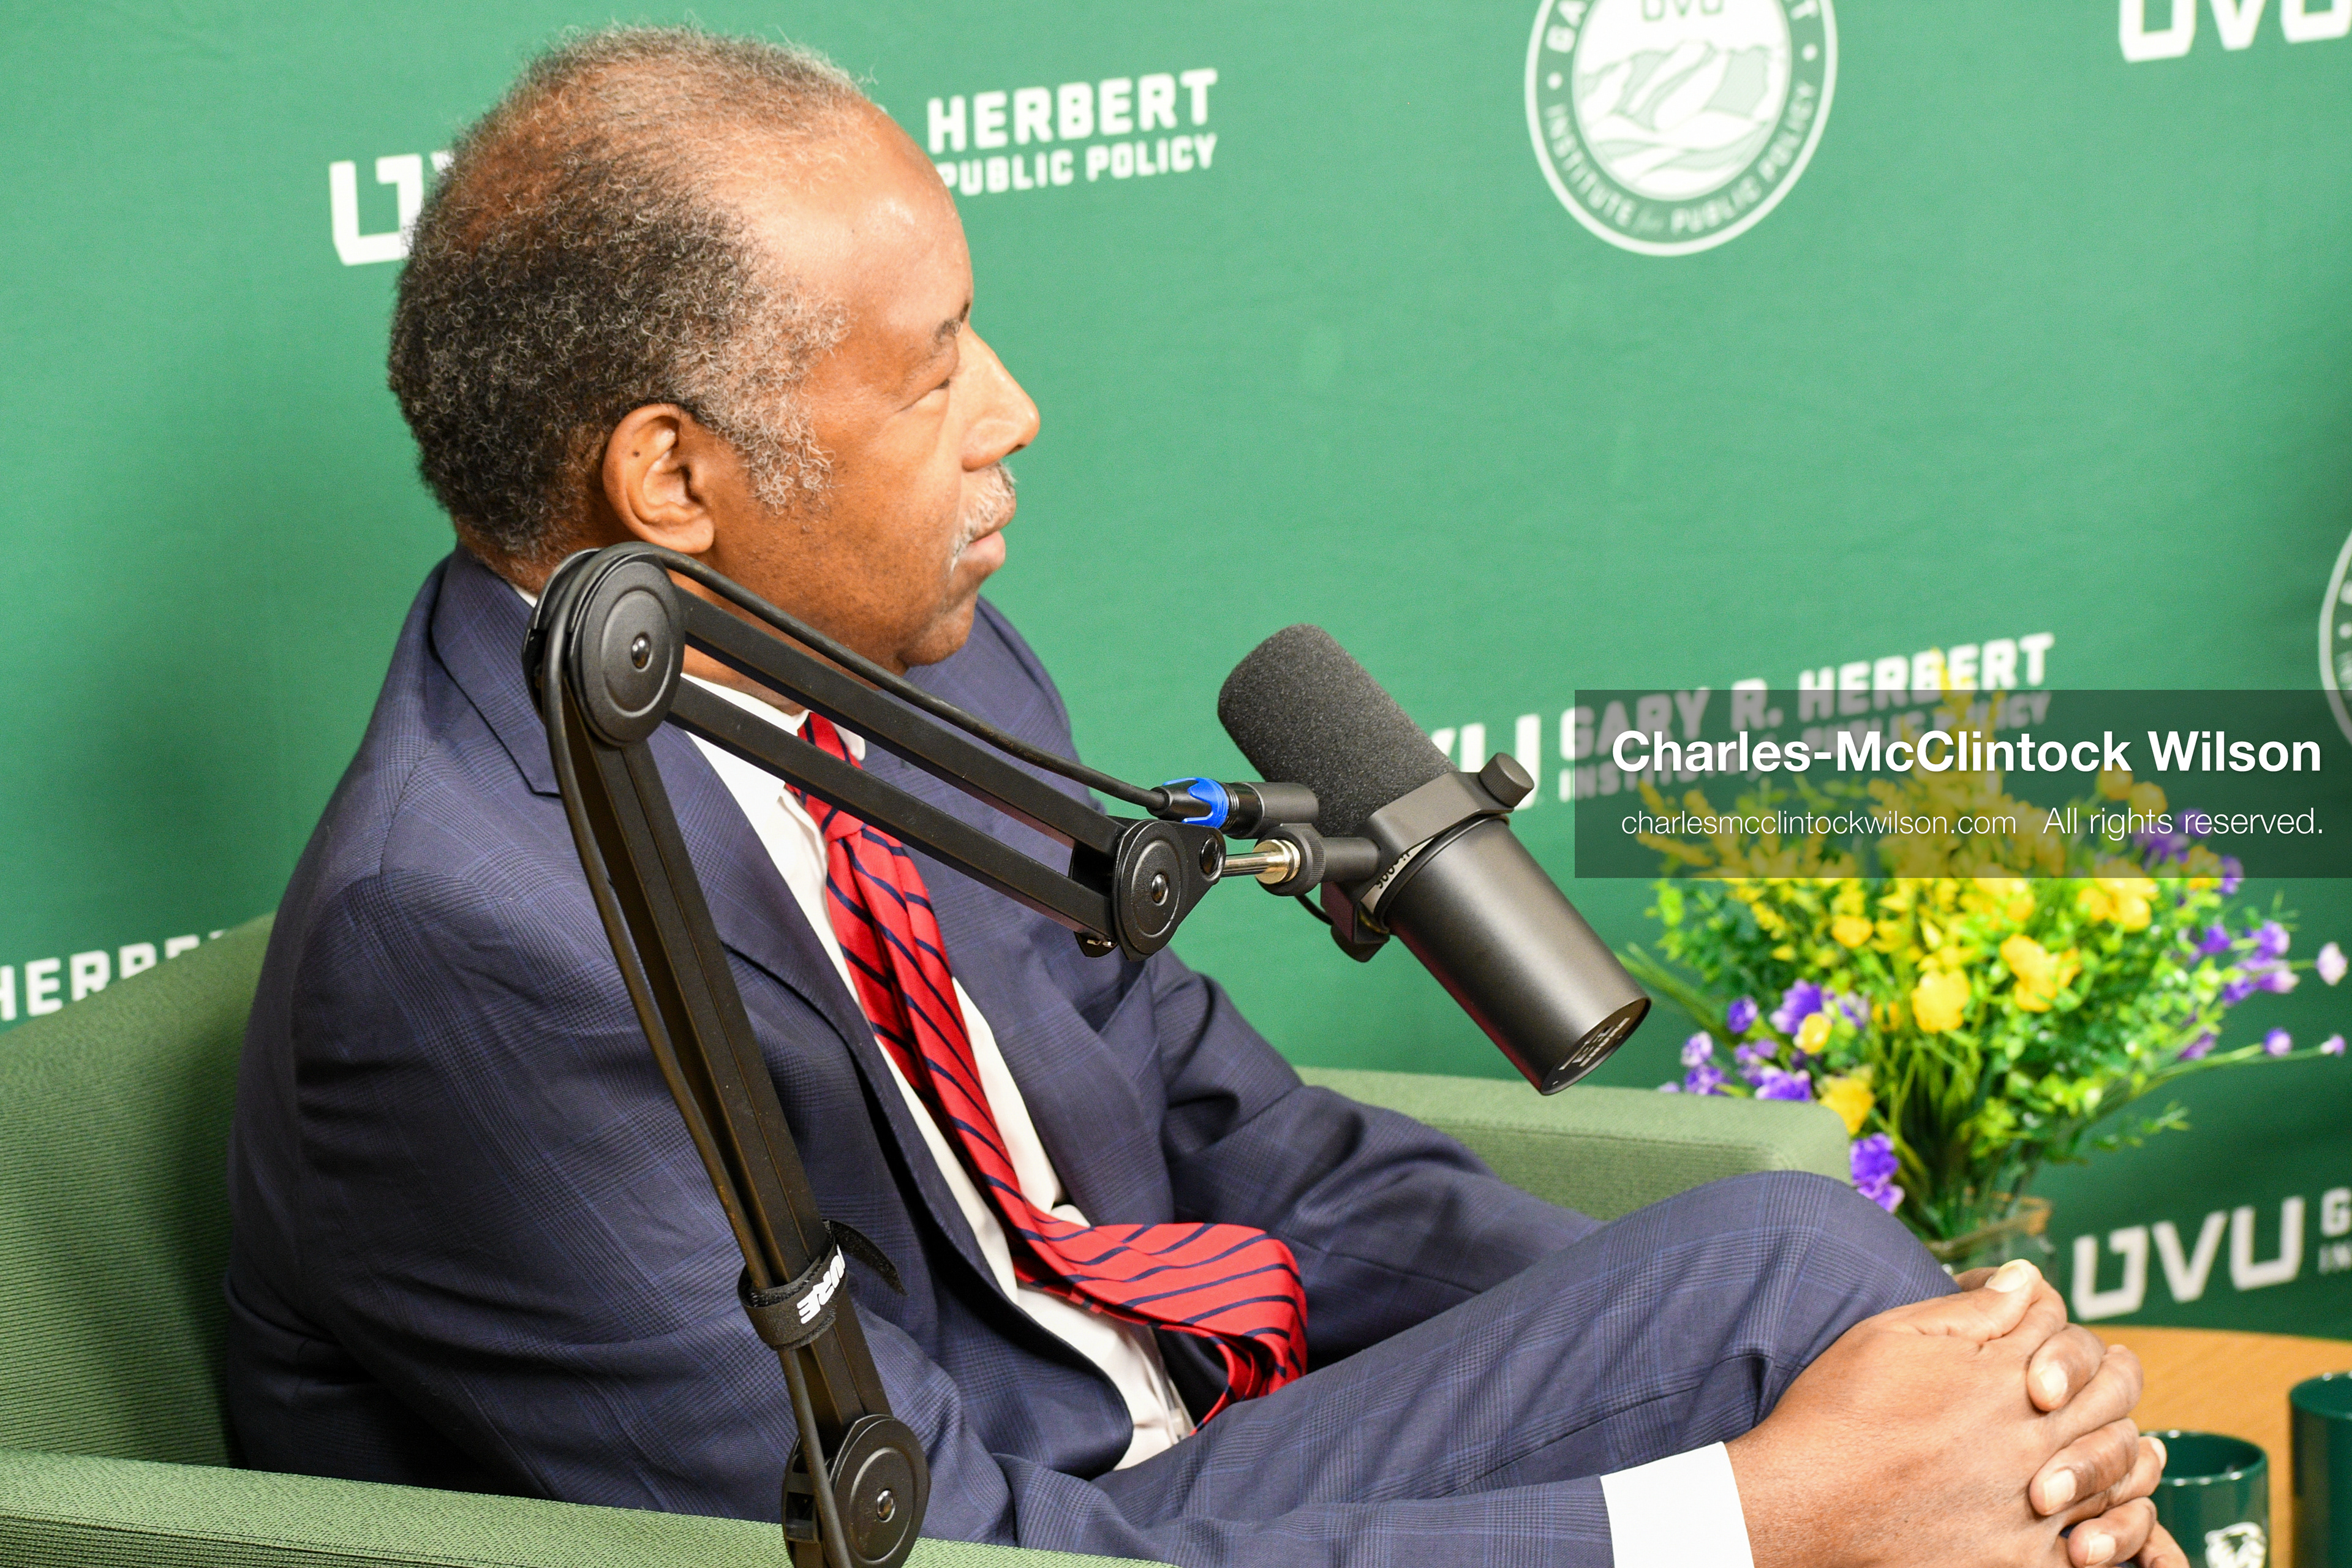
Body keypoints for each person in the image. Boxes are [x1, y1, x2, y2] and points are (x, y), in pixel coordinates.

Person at [225, 28, 2184, 1568]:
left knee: (1824, 1303)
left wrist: (1817, 1390)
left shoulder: (907, 668)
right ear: (674, 483)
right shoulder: (463, 947)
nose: (1013, 412)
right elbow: (931, 1548)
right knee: (1807, 1341)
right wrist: (1741, 1508)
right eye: (929, 374)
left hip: (1197, 1450)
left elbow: (1244, 1135)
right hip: (1028, 1539)